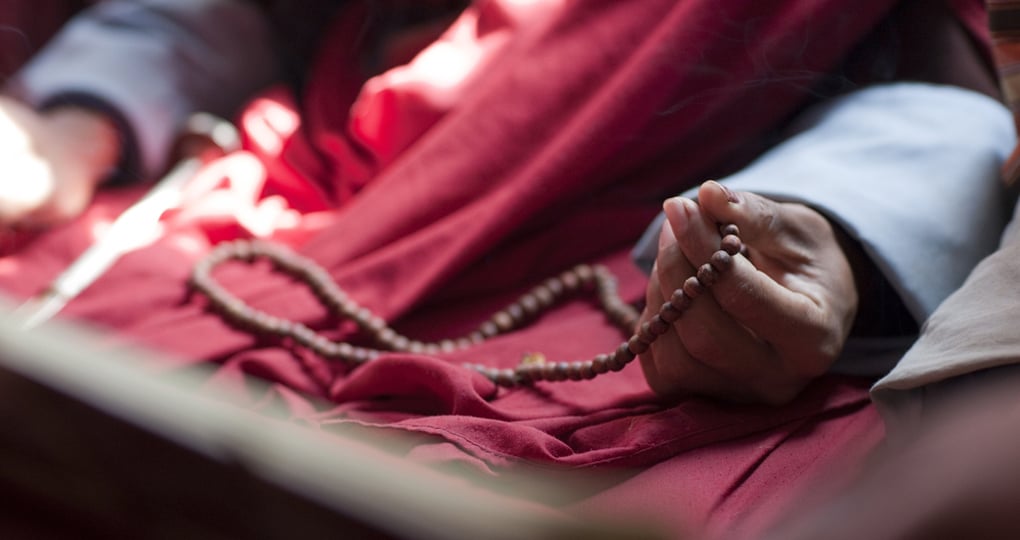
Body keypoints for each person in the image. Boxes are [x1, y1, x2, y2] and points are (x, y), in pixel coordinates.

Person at [0, 0, 1014, 537]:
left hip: (642, 270)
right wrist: (73, 129)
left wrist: (827, 233)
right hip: (306, 184)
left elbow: (947, 95)